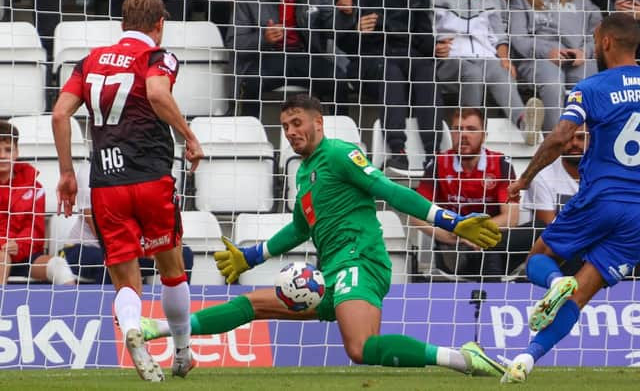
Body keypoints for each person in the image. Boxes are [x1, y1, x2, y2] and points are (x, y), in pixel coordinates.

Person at [139, 94, 506, 376]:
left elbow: (390, 191)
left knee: (359, 349)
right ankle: (157, 329)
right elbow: (301, 227)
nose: (291, 132)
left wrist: (451, 221)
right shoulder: (305, 173)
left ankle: (462, 358)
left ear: (318, 122)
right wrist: (252, 256)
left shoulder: (341, 155)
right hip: (330, 273)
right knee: (252, 304)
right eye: (285, 127)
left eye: (297, 122)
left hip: (359, 260)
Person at [52, 0, 204, 382]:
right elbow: (156, 93)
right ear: (159, 25)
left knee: (125, 277)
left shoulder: (89, 61)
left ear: (122, 24)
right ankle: (183, 352)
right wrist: (188, 134)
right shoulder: (158, 57)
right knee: (171, 269)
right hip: (151, 177)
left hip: (106, 184)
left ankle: (133, 329)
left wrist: (67, 173)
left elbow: (60, 114)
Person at [502, 13, 640, 383]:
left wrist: (525, 179)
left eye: (596, 39)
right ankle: (527, 360)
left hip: (600, 197)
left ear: (606, 42)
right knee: (578, 297)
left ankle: (552, 283)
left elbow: (563, 136)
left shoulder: (592, 87)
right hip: (638, 213)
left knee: (540, 258)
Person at [338, 0, 441, 170]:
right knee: (390, 72)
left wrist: (438, 48)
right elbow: (342, 43)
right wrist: (355, 27)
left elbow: (424, 37)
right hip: (369, 58)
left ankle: (434, 154)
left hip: (408, 55)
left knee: (426, 71)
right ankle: (397, 151)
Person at [433, 0, 544, 146]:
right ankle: (469, 133)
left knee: (501, 74)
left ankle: (525, 124)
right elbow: (424, 30)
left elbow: (499, 35)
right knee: (473, 75)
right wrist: (435, 46)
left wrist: (505, 59)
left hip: (484, 55)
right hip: (450, 59)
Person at [227, 0, 354, 118]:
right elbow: (234, 42)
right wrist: (263, 38)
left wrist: (345, 13)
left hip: (306, 55)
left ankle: (338, 136)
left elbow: (332, 28)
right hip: (267, 57)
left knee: (337, 79)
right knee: (252, 81)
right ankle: (249, 134)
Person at [409, 107, 522, 280]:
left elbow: (511, 218)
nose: (463, 135)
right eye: (458, 129)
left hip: (491, 241)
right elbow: (416, 215)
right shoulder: (438, 164)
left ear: (484, 134)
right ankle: (492, 300)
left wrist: (475, 233)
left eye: (471, 129)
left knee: (537, 232)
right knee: (488, 250)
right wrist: (453, 232)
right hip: (453, 245)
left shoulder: (500, 164)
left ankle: (489, 297)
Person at [59, 163, 195, 285]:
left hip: (130, 247)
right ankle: (108, 309)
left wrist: (152, 246)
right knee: (113, 260)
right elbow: (100, 230)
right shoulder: (89, 169)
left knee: (184, 254)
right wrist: (140, 251)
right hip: (84, 248)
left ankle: (176, 309)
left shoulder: (143, 169)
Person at [510, 0, 601, 134]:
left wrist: (585, 52)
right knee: (553, 84)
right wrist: (547, 52)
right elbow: (518, 38)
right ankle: (554, 144)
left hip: (577, 56)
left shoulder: (582, 1)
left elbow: (598, 34)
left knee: (588, 84)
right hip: (540, 58)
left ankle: (586, 140)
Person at [0, 120, 76, 285]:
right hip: (2, 254)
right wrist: (4, 245)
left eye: (8, 150)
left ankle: (73, 310)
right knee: (2, 259)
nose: (2, 156)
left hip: (26, 254)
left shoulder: (34, 187)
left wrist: (19, 245)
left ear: (17, 152)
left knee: (59, 266)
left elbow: (35, 228)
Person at [520, 125, 588, 276]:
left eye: (580, 138)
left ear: (590, 140)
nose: (574, 143)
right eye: (569, 138)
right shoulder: (543, 175)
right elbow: (550, 228)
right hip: (557, 248)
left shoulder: (601, 175)